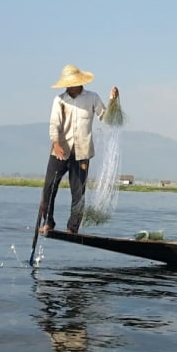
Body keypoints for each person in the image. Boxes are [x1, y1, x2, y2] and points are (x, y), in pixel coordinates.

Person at [39, 65, 118, 234]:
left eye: (71, 83)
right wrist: (56, 143)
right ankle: (48, 222)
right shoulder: (59, 100)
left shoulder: (92, 98)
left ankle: (72, 227)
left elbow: (105, 117)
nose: (68, 86)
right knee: (49, 188)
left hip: (82, 152)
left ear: (79, 83)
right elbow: (54, 124)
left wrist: (112, 100)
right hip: (60, 150)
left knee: (78, 191)